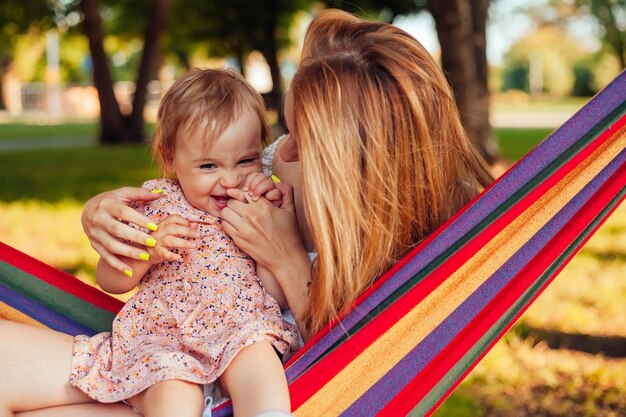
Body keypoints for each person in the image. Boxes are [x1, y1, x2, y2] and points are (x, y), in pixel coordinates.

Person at [5, 8, 493, 417]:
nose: (282, 153)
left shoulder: (409, 254)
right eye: (286, 128)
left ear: (355, 170)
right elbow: (195, 169)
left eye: (308, 143)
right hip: (156, 359)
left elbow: (361, 374)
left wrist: (286, 260)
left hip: (232, 386)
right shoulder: (260, 169)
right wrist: (102, 215)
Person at [2, 68, 297, 417]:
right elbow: (110, 280)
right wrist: (148, 251)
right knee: (173, 390)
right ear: (171, 159)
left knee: (259, 360)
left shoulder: (258, 207)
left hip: (240, 330)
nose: (230, 179)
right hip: (164, 342)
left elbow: (274, 296)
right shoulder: (154, 203)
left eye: (246, 160)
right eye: (208, 166)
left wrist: (270, 235)